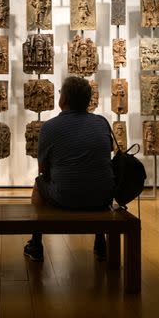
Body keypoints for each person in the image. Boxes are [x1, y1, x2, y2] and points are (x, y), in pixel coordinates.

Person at [23, 76, 115, 262]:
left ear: (63, 100)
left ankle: (36, 242)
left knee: (39, 183)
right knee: (94, 177)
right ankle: (100, 241)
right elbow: (107, 154)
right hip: (103, 197)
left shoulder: (50, 127)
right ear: (88, 100)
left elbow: (43, 169)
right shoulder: (102, 122)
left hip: (66, 198)